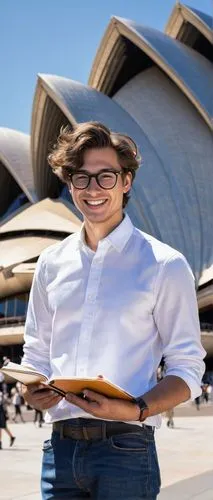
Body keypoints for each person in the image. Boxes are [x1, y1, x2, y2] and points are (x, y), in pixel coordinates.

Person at [22, 122, 205, 500]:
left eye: (106, 176)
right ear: (69, 184)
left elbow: (187, 369)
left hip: (126, 450)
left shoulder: (164, 265)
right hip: (60, 450)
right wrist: (31, 389)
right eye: (81, 177)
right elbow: (36, 355)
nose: (93, 189)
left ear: (126, 182)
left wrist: (135, 410)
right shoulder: (50, 264)